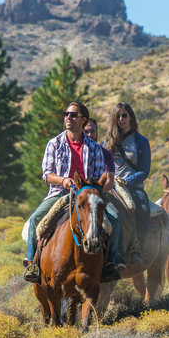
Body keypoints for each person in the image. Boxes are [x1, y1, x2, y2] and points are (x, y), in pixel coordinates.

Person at [23, 102, 121, 283]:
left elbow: (100, 176)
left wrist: (89, 187)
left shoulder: (94, 148)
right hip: (59, 193)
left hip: (87, 195)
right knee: (37, 219)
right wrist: (64, 180)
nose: (68, 117)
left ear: (83, 120)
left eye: (73, 115)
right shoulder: (54, 143)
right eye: (66, 114)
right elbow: (47, 174)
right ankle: (32, 263)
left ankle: (110, 264)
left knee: (114, 219)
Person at [104, 102, 151, 266]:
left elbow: (145, 171)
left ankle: (137, 247)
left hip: (132, 187)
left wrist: (127, 181)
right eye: (118, 116)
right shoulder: (109, 141)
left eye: (124, 115)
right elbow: (103, 165)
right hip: (110, 186)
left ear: (131, 117)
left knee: (144, 210)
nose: (121, 119)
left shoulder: (141, 142)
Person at [84, 117, 126, 273]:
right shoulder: (76, 151)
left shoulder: (105, 153)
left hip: (100, 195)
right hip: (78, 194)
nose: (89, 134)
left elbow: (109, 180)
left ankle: (113, 260)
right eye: (85, 131)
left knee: (114, 219)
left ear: (97, 132)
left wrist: (99, 192)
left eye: (92, 131)